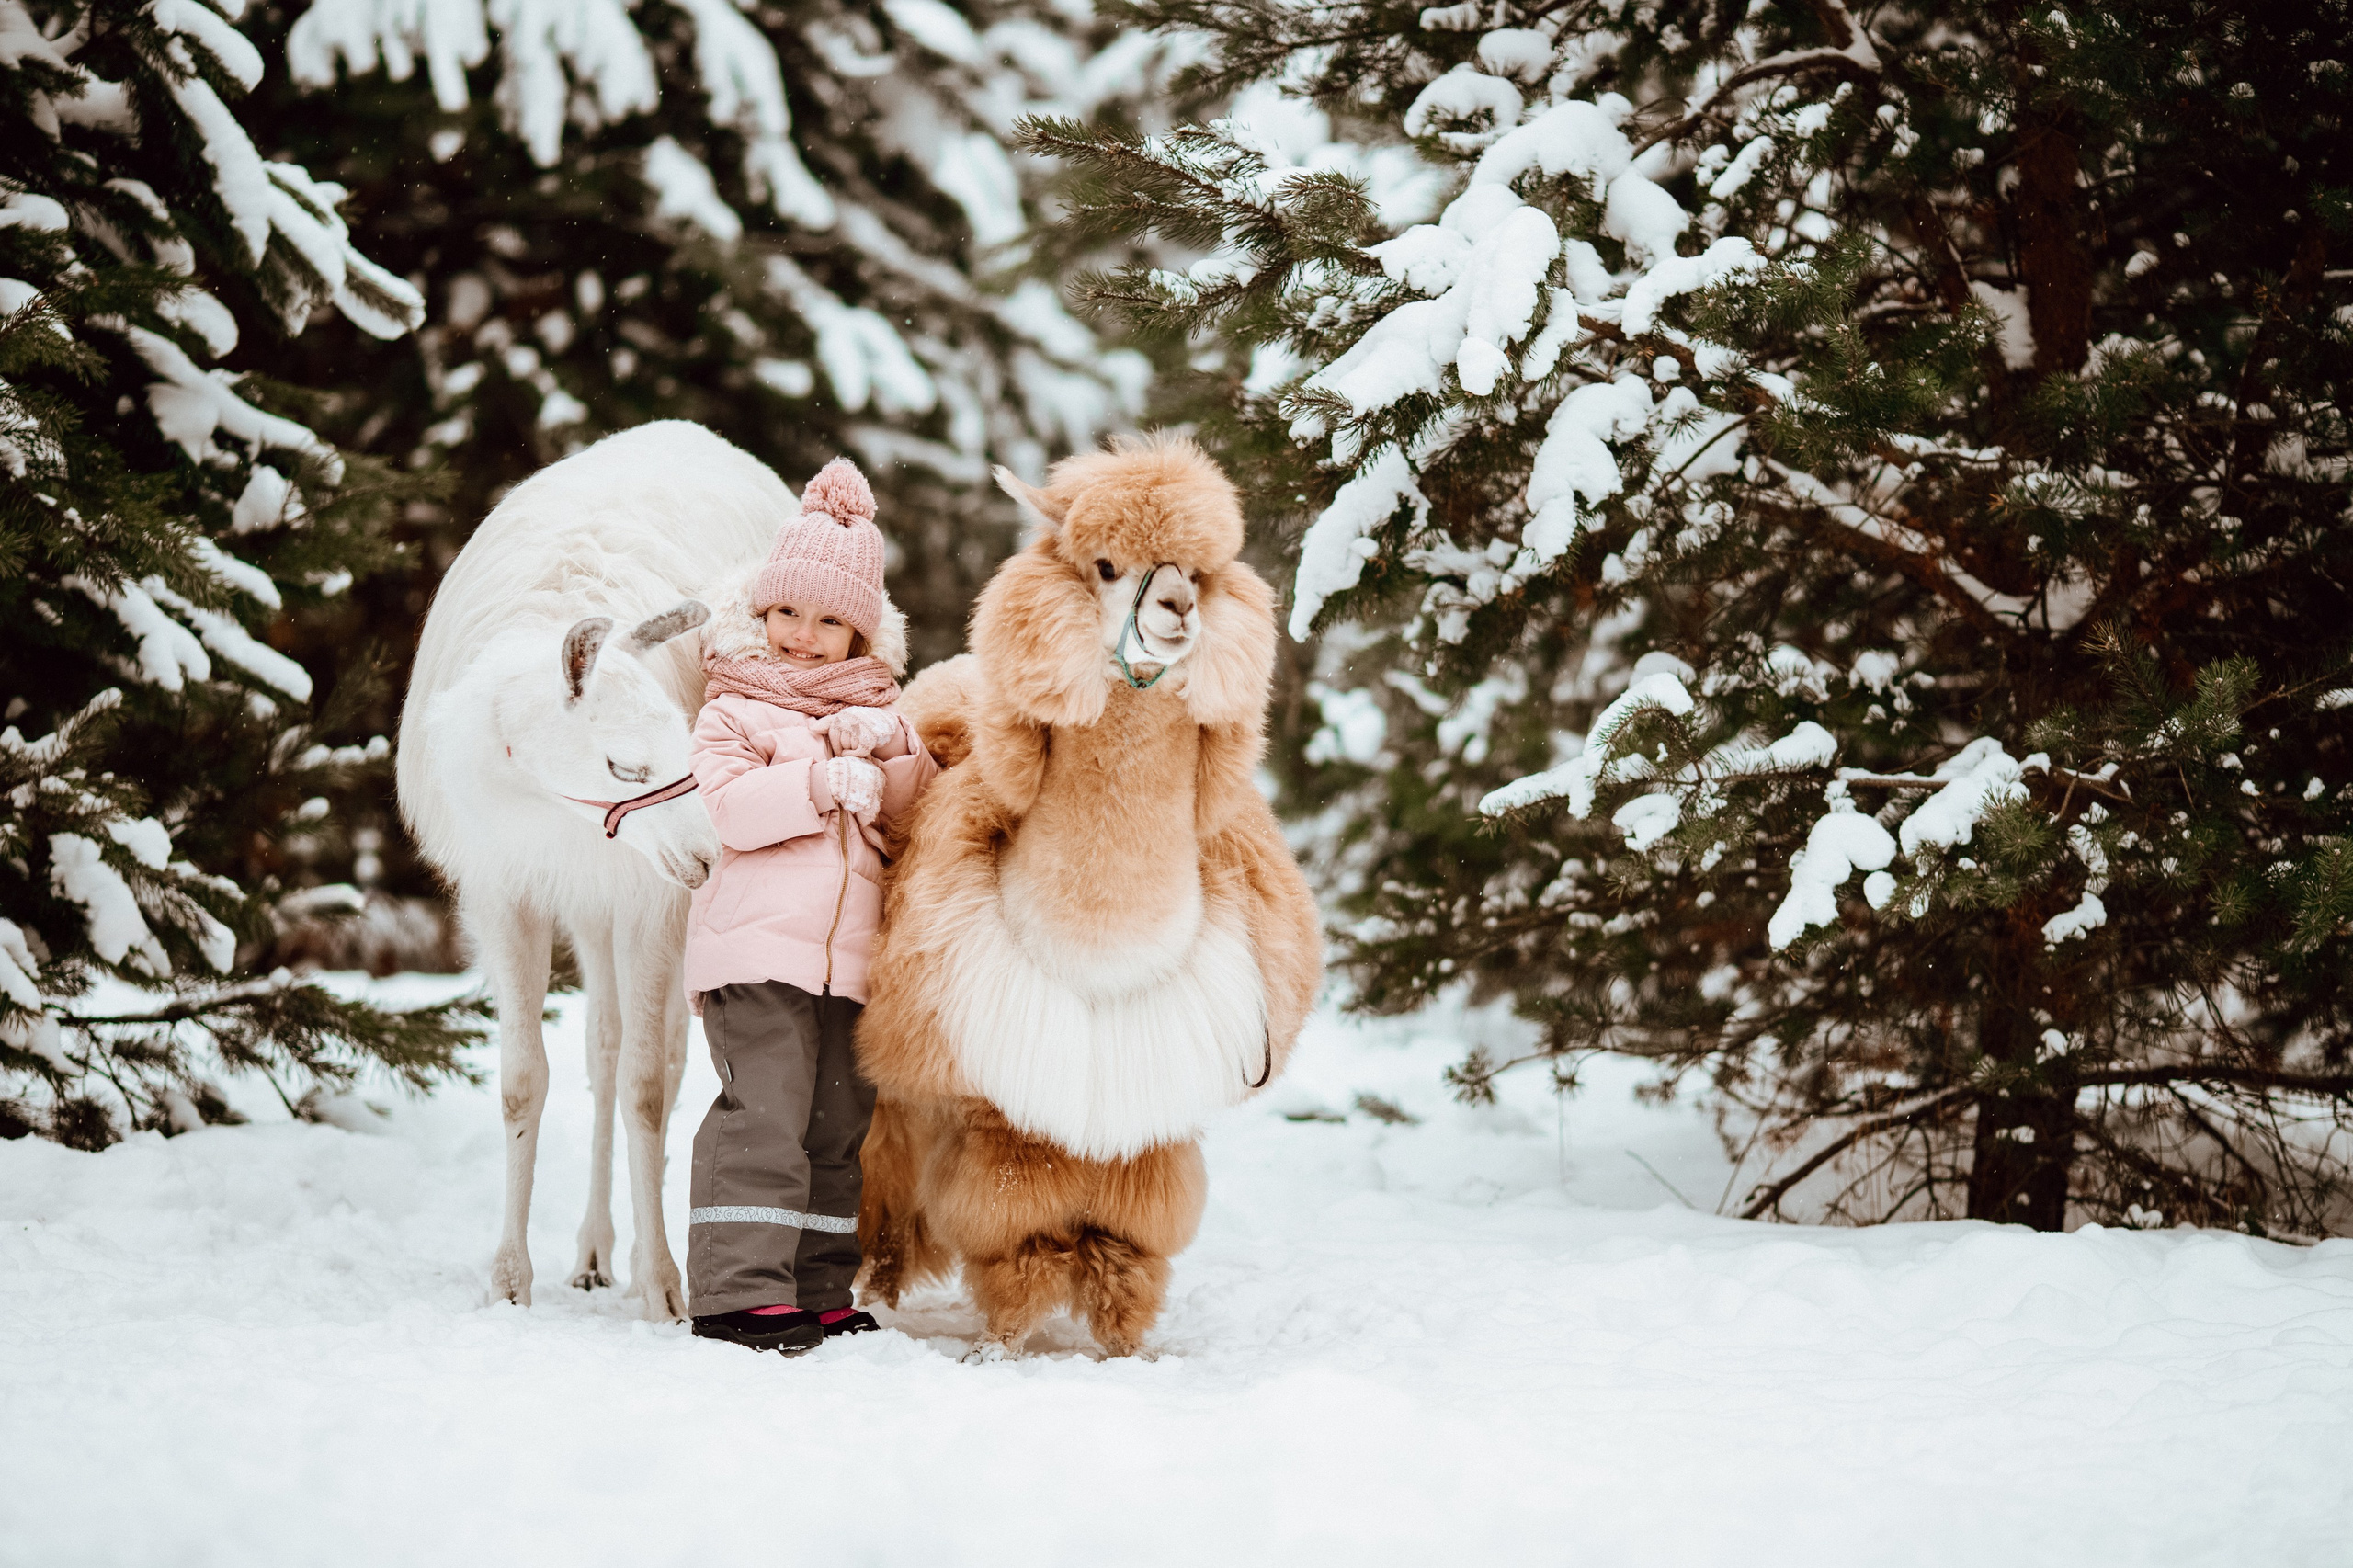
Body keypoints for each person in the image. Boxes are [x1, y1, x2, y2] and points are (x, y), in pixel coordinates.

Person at [681, 457, 938, 1355]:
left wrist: (893, 753)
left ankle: (818, 1288)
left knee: (837, 1127)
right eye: (788, 610)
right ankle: (735, 1289)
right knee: (768, 1115)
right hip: (754, 956)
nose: (803, 634)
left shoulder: (877, 709)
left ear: (861, 637)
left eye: (832, 621)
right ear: (760, 610)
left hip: (848, 963)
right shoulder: (732, 710)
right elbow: (717, 811)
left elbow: (915, 818)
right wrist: (816, 780)